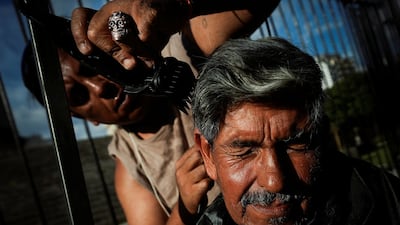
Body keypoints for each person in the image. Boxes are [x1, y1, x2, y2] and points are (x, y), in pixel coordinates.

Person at [21, 1, 281, 225]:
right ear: (87, 119)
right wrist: (185, 208)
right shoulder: (131, 163)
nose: (100, 88)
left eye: (90, 68)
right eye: (79, 96)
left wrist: (175, 4)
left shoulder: (179, 53)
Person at [191, 37, 400, 225]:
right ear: (208, 156)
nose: (274, 182)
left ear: (322, 138)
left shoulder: (390, 206)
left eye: (294, 145)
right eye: (245, 150)